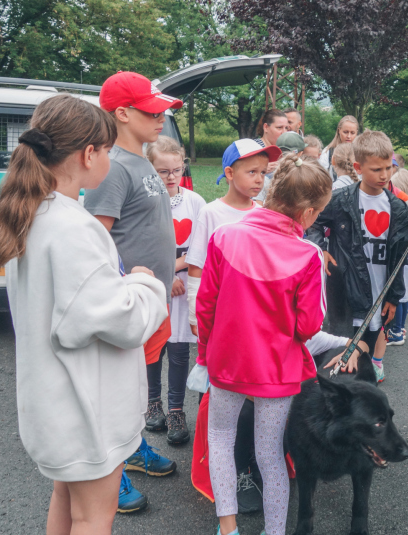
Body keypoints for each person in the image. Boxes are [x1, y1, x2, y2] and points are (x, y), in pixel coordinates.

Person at [0, 94, 169, 534]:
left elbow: (72, 303)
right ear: (89, 154)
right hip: (85, 406)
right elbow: (118, 321)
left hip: (54, 401)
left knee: (66, 502)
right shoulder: (72, 227)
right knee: (93, 518)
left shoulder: (28, 211)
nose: (110, 157)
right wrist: (146, 284)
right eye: (107, 150)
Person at [196, 154, 332, 535]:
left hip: (226, 360)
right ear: (306, 213)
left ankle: (228, 529)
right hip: (277, 368)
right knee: (270, 454)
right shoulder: (308, 255)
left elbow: (205, 304)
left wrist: (204, 356)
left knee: (220, 440)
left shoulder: (225, 236)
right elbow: (308, 326)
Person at [83, 71, 182, 512]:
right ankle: (112, 472)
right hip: (129, 307)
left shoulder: (142, 160)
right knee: (118, 392)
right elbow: (96, 243)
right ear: (122, 113)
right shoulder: (114, 167)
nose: (161, 116)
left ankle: (132, 448)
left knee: (138, 388)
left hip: (151, 305)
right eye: (151, 110)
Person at [308, 131, 408, 383]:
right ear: (358, 167)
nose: (385, 175)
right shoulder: (340, 200)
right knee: (336, 359)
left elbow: (401, 259)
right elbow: (311, 220)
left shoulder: (398, 207)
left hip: (378, 295)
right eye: (377, 169)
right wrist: (319, 248)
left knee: (364, 356)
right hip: (343, 294)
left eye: (389, 168)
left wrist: (393, 296)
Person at [186, 138, 282, 337]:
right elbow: (197, 266)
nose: (259, 179)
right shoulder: (210, 213)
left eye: (263, 172)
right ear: (229, 173)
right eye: (252, 172)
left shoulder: (264, 213)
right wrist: (194, 315)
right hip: (220, 309)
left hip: (255, 311)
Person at [146, 136, 207, 445]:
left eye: (176, 170)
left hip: (183, 290)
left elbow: (199, 248)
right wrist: (165, 275)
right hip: (154, 287)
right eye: (162, 171)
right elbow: (141, 247)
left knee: (180, 348)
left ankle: (176, 410)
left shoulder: (195, 203)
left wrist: (175, 271)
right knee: (154, 347)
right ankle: (152, 402)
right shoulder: (144, 202)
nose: (171, 177)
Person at [386, 168, 408, 346]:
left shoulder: (402, 206)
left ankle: (396, 331)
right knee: (405, 295)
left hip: (404, 256)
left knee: (398, 295)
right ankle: (400, 327)